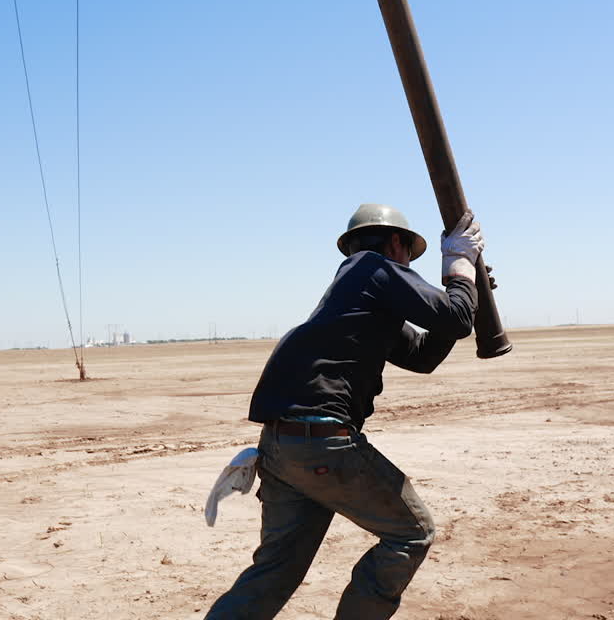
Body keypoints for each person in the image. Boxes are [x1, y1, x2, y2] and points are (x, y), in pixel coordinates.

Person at [205, 203, 485, 620]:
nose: (409, 267)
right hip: (322, 443)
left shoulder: (359, 298)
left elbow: (426, 354)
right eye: (409, 256)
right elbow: (457, 316)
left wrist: (467, 293)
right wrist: (460, 268)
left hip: (282, 447)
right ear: (396, 243)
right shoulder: (374, 268)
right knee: (412, 533)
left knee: (275, 571)